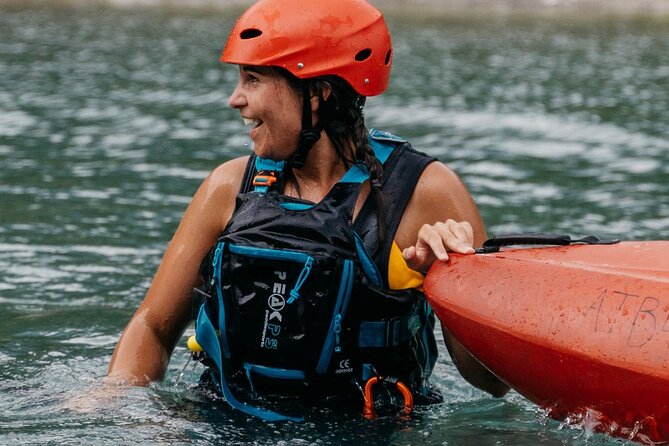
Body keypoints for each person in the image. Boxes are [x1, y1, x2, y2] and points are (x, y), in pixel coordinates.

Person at [107, 0, 509, 420]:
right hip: (222, 420)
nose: (235, 99)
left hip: (361, 431)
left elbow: (494, 382)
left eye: (253, 79)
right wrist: (115, 406)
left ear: (317, 93)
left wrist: (450, 280)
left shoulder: (424, 193)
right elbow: (152, 329)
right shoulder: (228, 186)